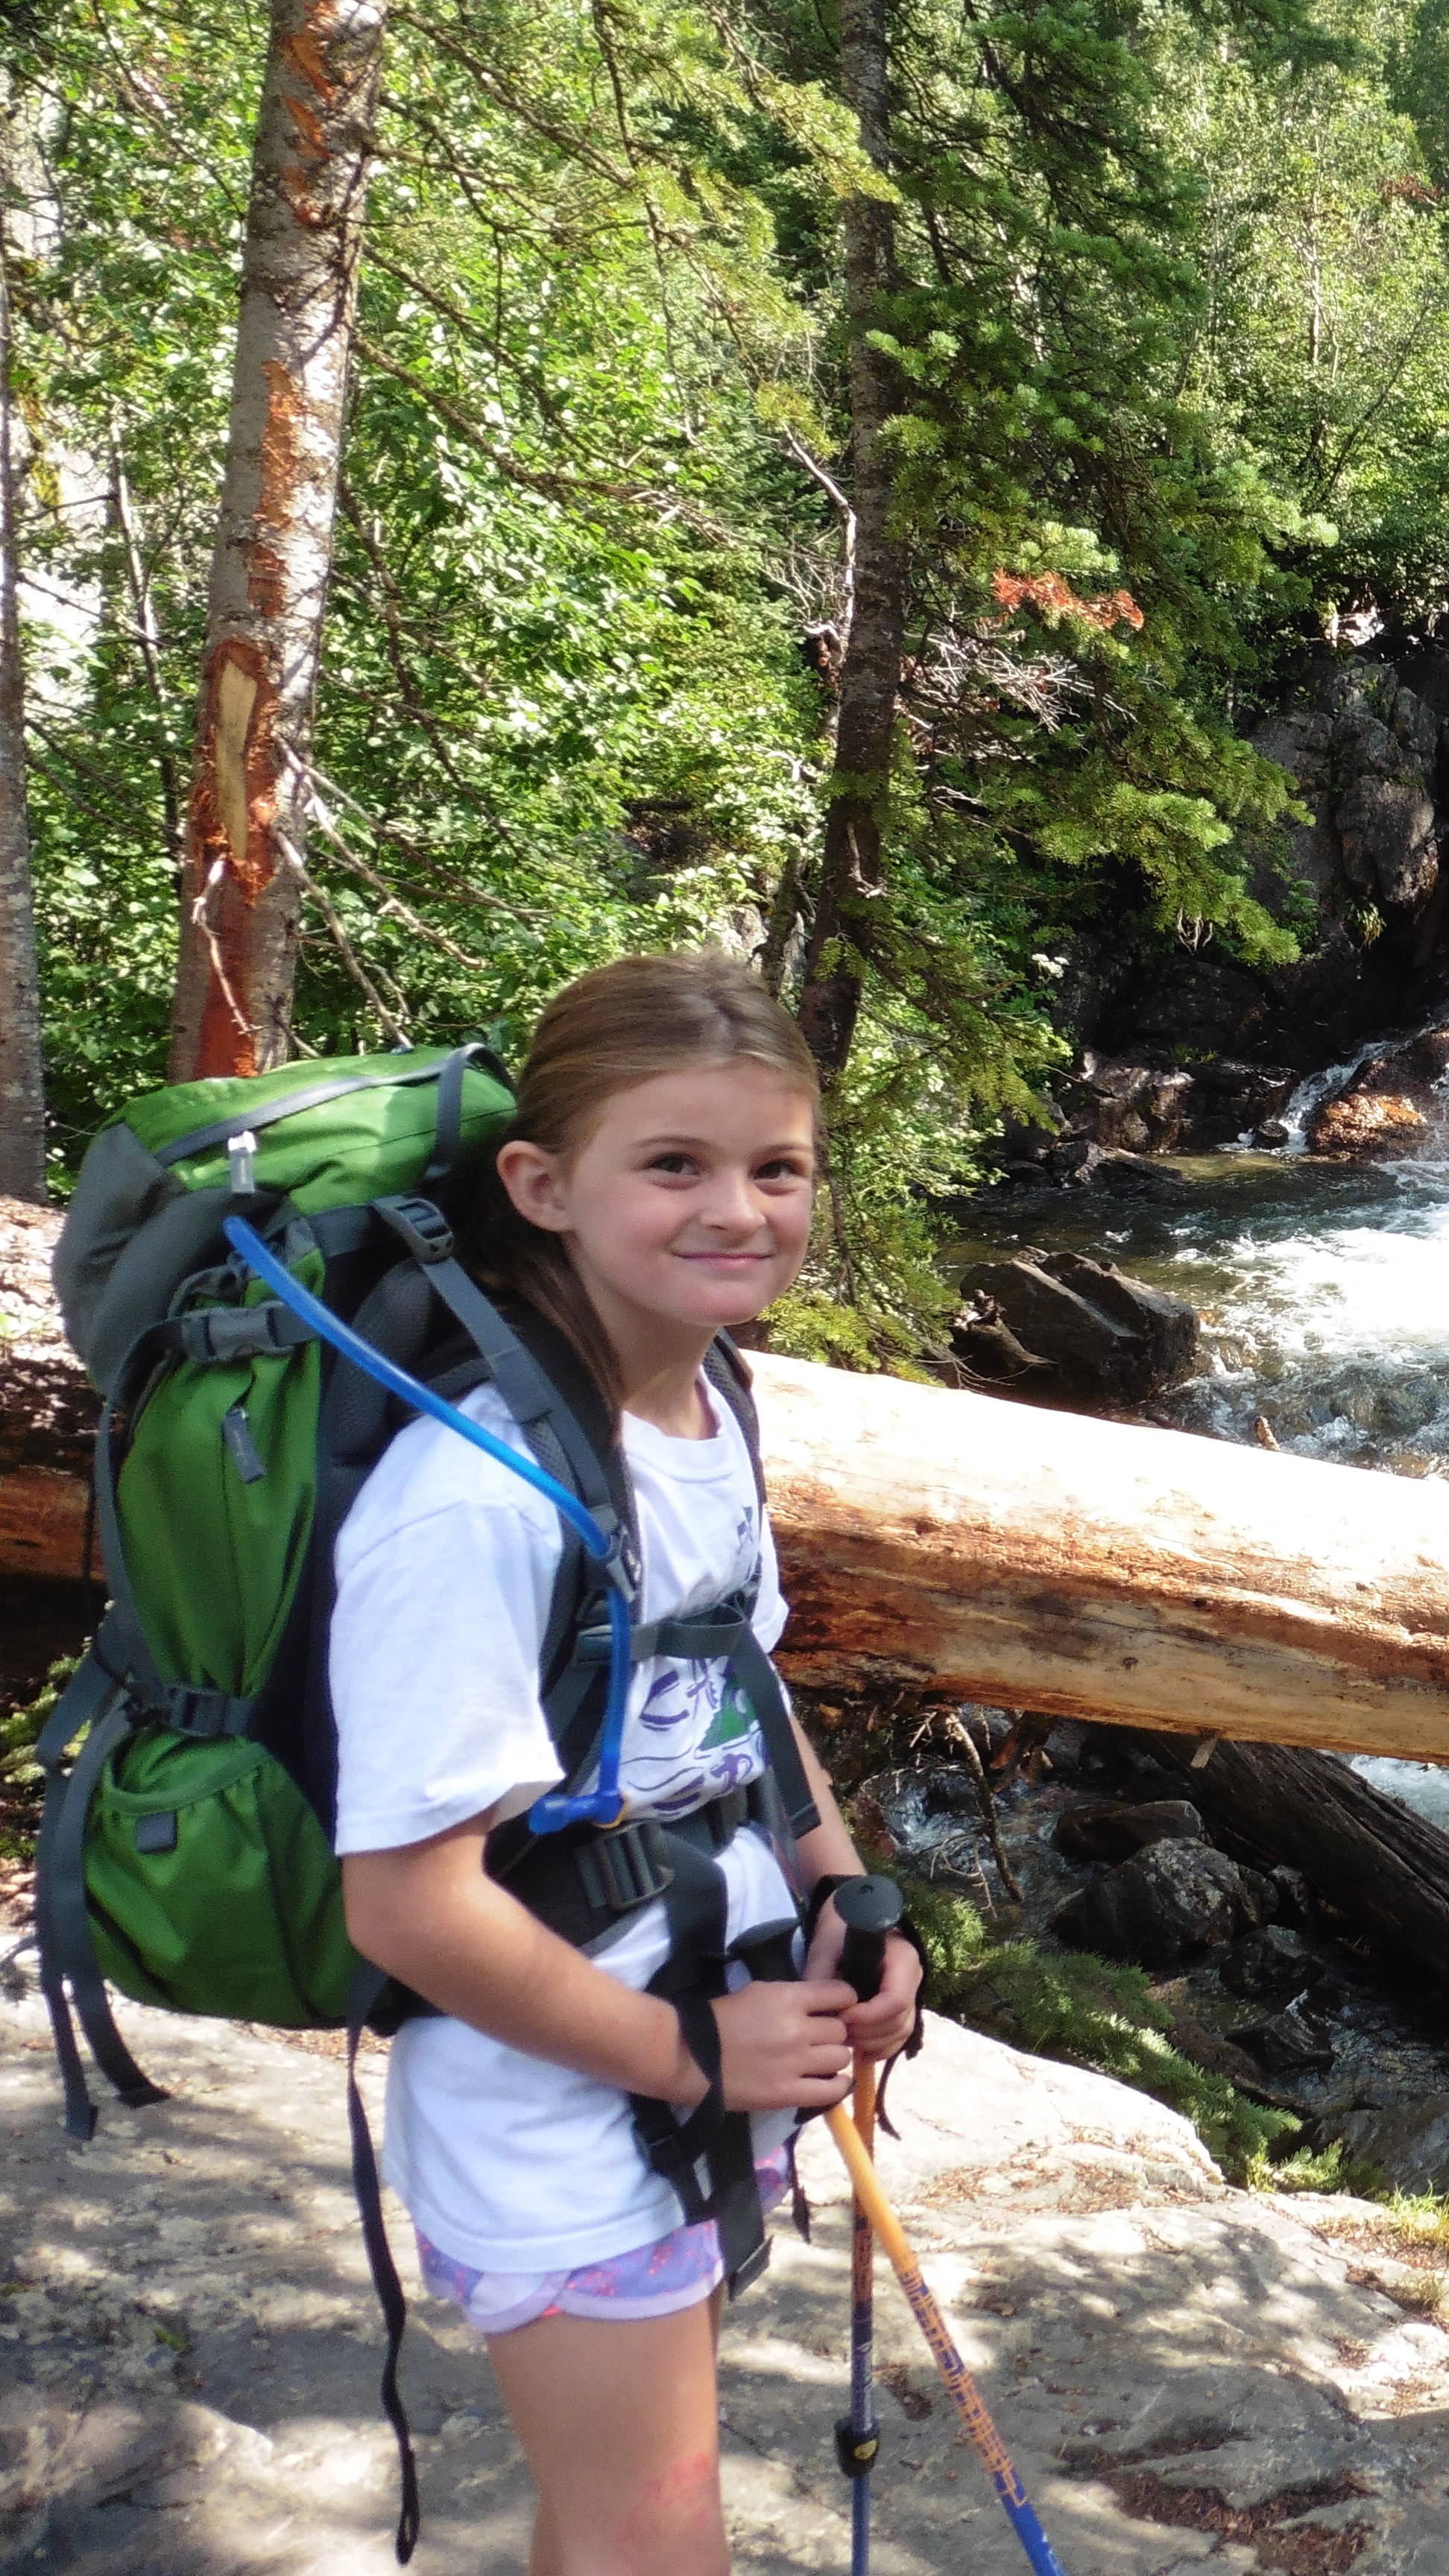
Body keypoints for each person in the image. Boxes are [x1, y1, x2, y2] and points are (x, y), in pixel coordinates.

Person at [331, 953, 920, 2576]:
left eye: (776, 1167)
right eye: (674, 1164)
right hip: (560, 2102)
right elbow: (407, 1908)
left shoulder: (701, 1398)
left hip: (672, 2054)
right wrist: (691, 2058)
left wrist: (843, 1891)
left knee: (606, 2531)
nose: (738, 1208)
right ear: (539, 1186)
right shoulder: (482, 1497)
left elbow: (737, 1673)